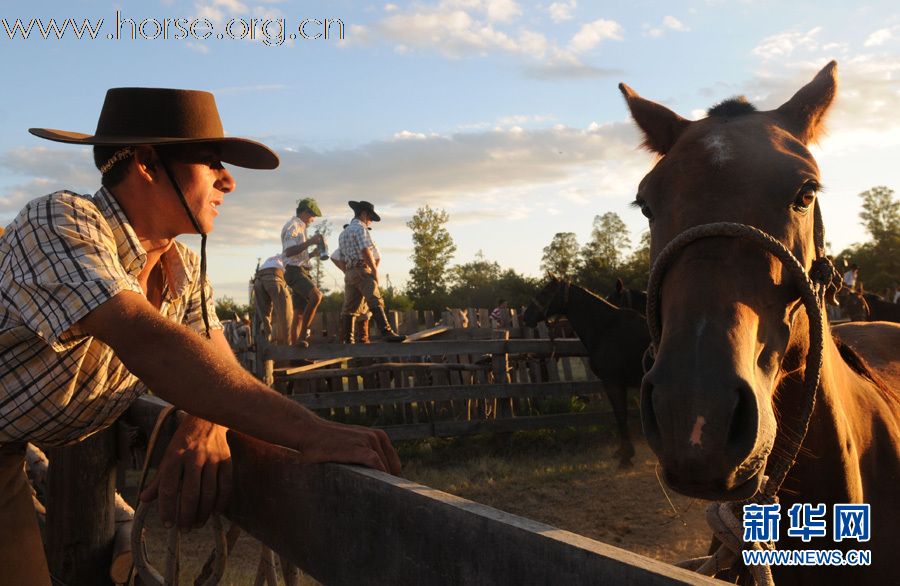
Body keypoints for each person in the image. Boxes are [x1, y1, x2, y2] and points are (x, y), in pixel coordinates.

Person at [0, 88, 399, 585]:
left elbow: (217, 369)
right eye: (211, 162)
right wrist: (313, 433)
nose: (228, 181)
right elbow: (145, 339)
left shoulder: (185, 268)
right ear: (147, 162)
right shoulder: (59, 221)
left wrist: (204, 414)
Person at [337, 201, 405, 343]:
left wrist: (348, 272)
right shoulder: (361, 229)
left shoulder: (343, 233)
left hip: (350, 272)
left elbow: (339, 257)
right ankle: (386, 332)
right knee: (375, 300)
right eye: (370, 218)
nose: (370, 222)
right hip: (362, 269)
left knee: (350, 308)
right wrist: (374, 270)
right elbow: (365, 250)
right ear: (364, 214)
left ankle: (347, 339)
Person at [281, 198, 325, 347]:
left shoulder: (300, 227)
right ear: (306, 212)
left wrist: (312, 254)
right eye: (313, 216)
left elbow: (297, 255)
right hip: (294, 271)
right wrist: (310, 242)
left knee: (299, 314)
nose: (313, 220)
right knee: (316, 296)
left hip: (299, 269)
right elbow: (289, 252)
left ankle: (296, 352)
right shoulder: (294, 226)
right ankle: (303, 336)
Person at [253, 253, 293, 345]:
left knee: (264, 315)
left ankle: (268, 341)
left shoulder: (272, 258)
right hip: (274, 277)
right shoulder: (289, 257)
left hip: (258, 280)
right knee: (286, 314)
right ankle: (288, 346)